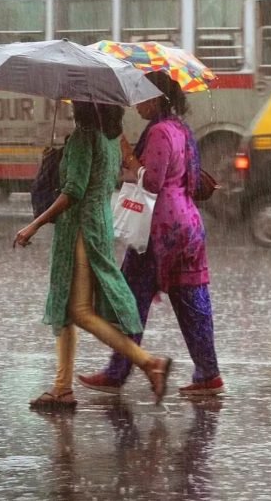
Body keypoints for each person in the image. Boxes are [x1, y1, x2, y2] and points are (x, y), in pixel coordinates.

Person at [14, 100, 172, 408]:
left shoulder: (84, 137)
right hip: (99, 223)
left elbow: (73, 190)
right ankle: (62, 387)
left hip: (80, 230)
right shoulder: (111, 138)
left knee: (80, 311)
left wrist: (33, 225)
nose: (72, 107)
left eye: (76, 104)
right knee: (66, 308)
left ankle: (148, 362)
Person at [78, 71, 224, 396]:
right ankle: (208, 373)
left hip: (159, 229)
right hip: (188, 225)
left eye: (140, 94)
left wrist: (128, 157)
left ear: (157, 97)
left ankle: (118, 370)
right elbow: (191, 176)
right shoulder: (182, 129)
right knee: (192, 303)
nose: (135, 102)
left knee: (131, 299)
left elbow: (152, 182)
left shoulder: (159, 132)